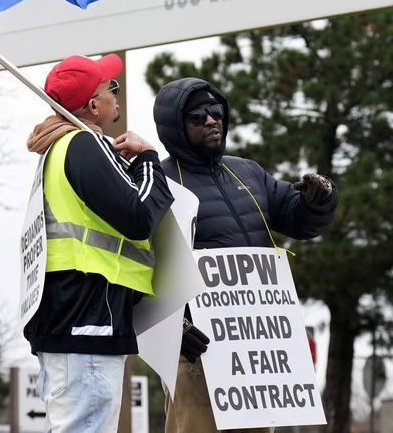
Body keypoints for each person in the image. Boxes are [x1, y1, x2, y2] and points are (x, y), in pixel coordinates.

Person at [152, 77, 338, 433]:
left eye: (216, 112)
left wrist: (320, 199)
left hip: (253, 353)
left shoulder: (247, 172)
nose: (211, 121)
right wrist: (171, 326)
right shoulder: (160, 182)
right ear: (175, 127)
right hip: (196, 351)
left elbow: (298, 218)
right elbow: (139, 262)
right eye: (197, 117)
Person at [23, 53, 174, 433]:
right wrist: (149, 159)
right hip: (87, 318)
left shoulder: (56, 150)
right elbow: (140, 216)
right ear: (93, 105)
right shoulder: (85, 144)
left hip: (71, 316)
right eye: (111, 89)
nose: (116, 97)